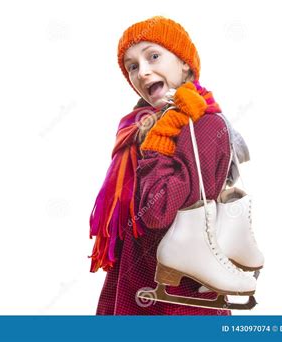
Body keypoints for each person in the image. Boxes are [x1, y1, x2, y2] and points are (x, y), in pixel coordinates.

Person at [89, 16, 239, 315]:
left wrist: (157, 144)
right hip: (133, 281)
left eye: (153, 56)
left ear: (185, 63)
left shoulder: (204, 124)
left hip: (177, 298)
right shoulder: (141, 125)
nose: (142, 72)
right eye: (132, 66)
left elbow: (157, 213)